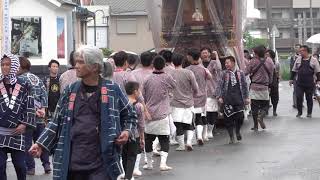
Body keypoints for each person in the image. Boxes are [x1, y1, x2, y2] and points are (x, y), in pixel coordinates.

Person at [29, 46, 137, 180]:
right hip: (72, 161)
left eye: (81, 62)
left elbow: (130, 115)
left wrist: (127, 131)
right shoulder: (70, 90)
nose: (76, 65)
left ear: (95, 67)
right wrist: (40, 144)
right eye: (76, 61)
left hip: (102, 162)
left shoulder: (112, 90)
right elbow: (56, 121)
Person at [0, 53, 36, 180]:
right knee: (0, 167)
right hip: (0, 133)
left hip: (17, 133)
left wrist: (25, 123)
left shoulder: (24, 84)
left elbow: (30, 106)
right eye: (2, 64)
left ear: (14, 66)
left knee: (21, 166)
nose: (5, 67)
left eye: (8, 64)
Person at [17, 57, 51, 175]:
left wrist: (34, 109)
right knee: (41, 141)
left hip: (28, 117)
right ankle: (46, 165)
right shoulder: (37, 78)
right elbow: (44, 95)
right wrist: (42, 109)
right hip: (40, 117)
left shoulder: (19, 79)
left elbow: (23, 98)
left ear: (20, 66)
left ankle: (30, 167)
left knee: (27, 143)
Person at [142, 55, 176, 171]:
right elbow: (174, 86)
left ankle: (149, 163)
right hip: (162, 114)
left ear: (153, 65)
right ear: (164, 65)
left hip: (149, 114)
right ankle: (162, 164)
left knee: (149, 139)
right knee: (164, 139)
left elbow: (143, 97)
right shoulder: (167, 77)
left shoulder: (147, 79)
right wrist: (167, 92)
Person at [217, 56, 249, 144]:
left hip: (238, 99)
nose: (226, 64)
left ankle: (237, 131)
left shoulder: (240, 73)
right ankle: (231, 137)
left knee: (240, 117)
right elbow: (219, 85)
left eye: (228, 62)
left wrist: (247, 97)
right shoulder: (223, 74)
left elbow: (245, 85)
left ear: (233, 63)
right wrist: (219, 96)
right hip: (227, 99)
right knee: (228, 119)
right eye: (225, 63)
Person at [170, 53, 199, 151]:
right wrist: (193, 95)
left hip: (175, 103)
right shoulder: (189, 73)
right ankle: (189, 142)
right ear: (182, 62)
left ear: (173, 62)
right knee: (189, 124)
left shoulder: (170, 74)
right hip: (188, 103)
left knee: (178, 125)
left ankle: (181, 145)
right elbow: (195, 88)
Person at [186, 48, 212, 145]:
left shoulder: (187, 70)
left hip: (191, 97)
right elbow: (210, 77)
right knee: (199, 116)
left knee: (191, 119)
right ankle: (200, 136)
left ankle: (191, 140)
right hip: (202, 97)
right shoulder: (203, 69)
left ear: (190, 57)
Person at [245, 45, 275, 131]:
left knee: (254, 107)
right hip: (264, 86)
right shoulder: (269, 61)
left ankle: (255, 126)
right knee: (265, 105)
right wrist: (269, 84)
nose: (253, 54)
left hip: (254, 87)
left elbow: (246, 72)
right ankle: (261, 116)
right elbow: (271, 74)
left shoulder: (253, 61)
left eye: (254, 52)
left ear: (257, 53)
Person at [290, 45, 320, 118]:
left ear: (306, 51)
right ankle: (299, 112)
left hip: (310, 83)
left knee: (309, 98)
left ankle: (309, 112)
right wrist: (291, 79)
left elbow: (318, 72)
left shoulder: (314, 60)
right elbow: (294, 70)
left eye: (302, 51)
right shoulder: (298, 59)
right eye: (300, 51)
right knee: (299, 97)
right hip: (299, 82)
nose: (300, 52)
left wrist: (318, 80)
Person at [124, 82, 145, 178]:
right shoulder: (139, 106)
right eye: (139, 90)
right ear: (135, 91)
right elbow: (141, 124)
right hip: (134, 134)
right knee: (132, 157)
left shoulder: (122, 103)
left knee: (124, 156)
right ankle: (128, 177)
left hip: (123, 134)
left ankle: (125, 175)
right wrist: (142, 138)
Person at [204, 50, 222, 140]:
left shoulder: (213, 62)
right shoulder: (199, 64)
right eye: (203, 52)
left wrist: (217, 56)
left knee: (213, 111)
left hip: (212, 91)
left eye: (206, 52)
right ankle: (206, 130)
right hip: (201, 92)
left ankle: (210, 129)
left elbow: (219, 69)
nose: (204, 54)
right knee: (205, 112)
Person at [265, 49, 280, 116]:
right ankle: (266, 110)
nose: (266, 56)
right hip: (266, 82)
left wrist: (277, 79)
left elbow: (278, 73)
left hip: (274, 82)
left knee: (275, 97)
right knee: (266, 97)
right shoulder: (264, 62)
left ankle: (274, 110)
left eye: (267, 55)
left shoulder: (276, 64)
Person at [290, 44, 301, 108]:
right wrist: (291, 77)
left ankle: (300, 102)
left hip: (302, 76)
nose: (296, 49)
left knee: (301, 90)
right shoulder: (293, 57)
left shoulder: (303, 56)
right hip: (295, 75)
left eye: (298, 47)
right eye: (296, 47)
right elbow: (291, 66)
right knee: (295, 90)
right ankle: (295, 103)